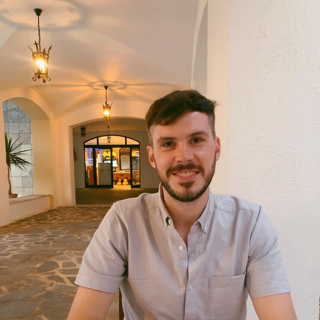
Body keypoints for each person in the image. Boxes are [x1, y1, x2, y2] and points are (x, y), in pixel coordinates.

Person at [68, 90, 297, 319]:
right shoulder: (123, 221)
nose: (184, 156)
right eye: (168, 143)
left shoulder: (250, 224)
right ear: (152, 156)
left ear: (216, 147)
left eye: (196, 140)